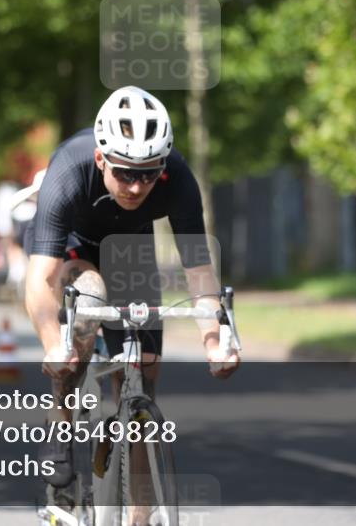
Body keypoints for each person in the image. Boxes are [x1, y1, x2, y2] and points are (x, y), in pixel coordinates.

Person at [24, 86, 240, 492]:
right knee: (87, 297)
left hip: (128, 250)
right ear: (101, 158)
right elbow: (42, 278)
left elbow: (198, 271)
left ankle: (139, 512)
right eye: (124, 173)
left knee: (145, 368)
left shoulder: (177, 179)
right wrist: (54, 344)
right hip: (70, 247)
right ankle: (60, 423)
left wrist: (215, 343)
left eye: (147, 174)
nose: (137, 187)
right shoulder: (70, 172)